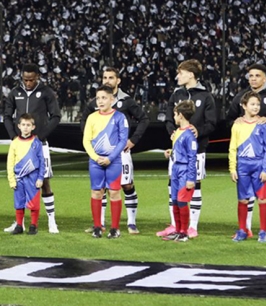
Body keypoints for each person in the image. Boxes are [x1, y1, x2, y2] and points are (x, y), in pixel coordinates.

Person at [79, 67, 148, 235]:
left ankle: (131, 223)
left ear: (118, 80)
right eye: (105, 77)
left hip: (119, 154)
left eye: (111, 77)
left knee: (125, 185)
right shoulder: (95, 105)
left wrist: (133, 140)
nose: (107, 80)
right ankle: (100, 224)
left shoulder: (126, 102)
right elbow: (84, 122)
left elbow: (144, 119)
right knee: (99, 189)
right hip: (98, 155)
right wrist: (93, 143)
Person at [226, 64, 266, 240]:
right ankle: (246, 228)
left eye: (257, 75)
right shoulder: (241, 97)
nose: (253, 78)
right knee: (247, 191)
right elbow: (228, 120)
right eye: (251, 75)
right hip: (246, 153)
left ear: (265, 78)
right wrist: (236, 122)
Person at [161, 59, 217, 238]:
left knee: (194, 185)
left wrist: (198, 131)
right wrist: (172, 132)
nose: (178, 76)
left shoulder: (206, 96)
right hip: (177, 152)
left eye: (181, 73)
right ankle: (174, 225)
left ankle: (192, 226)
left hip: (197, 149)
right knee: (172, 185)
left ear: (191, 75)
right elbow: (168, 118)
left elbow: (212, 123)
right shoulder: (176, 95)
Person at [3, 63, 62, 234]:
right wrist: (13, 136)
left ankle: (51, 221)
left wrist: (41, 136)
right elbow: (7, 116)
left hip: (39, 144)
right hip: (20, 145)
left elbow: (56, 116)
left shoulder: (46, 92)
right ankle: (19, 223)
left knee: (44, 182)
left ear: (37, 77)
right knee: (19, 183)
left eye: (31, 80)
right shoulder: (15, 92)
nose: (28, 83)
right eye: (25, 79)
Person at [83, 85, 129, 239]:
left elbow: (123, 140)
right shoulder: (92, 117)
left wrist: (110, 158)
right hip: (95, 161)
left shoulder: (120, 117)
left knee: (114, 192)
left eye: (104, 98)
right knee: (96, 192)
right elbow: (86, 141)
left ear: (112, 99)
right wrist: (96, 158)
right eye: (98, 98)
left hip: (114, 161)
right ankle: (97, 227)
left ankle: (115, 229)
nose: (100, 101)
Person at [229, 91, 266, 243]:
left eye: (258, 104)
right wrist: (232, 168)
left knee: (263, 199)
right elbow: (232, 148)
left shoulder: (263, 125)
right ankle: (242, 230)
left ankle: (263, 232)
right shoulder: (237, 125)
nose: (256, 107)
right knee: (243, 199)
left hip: (259, 165)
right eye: (252, 104)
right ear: (244, 106)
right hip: (243, 166)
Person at [162, 100, 197, 242]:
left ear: (181, 115)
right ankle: (177, 230)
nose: (174, 117)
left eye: (175, 114)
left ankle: (184, 232)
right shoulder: (178, 132)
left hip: (184, 170)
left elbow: (192, 157)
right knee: (175, 200)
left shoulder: (189, 135)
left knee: (182, 202)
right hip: (176, 168)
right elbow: (180, 150)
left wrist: (191, 178)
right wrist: (171, 152)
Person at [7, 113, 46, 235]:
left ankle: (33, 225)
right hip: (19, 178)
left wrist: (40, 178)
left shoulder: (37, 142)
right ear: (19, 126)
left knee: (34, 203)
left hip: (33, 178)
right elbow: (10, 162)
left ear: (33, 127)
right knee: (19, 202)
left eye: (28, 125)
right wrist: (11, 179)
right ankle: (19, 225)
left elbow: (42, 161)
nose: (25, 127)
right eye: (23, 124)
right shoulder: (15, 143)